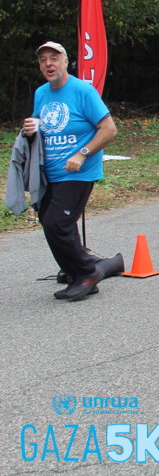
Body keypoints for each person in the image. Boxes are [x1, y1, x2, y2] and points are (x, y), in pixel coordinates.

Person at [21, 42, 118, 301]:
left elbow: (109, 129)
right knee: (48, 221)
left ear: (66, 62)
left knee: (58, 222)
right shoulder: (41, 93)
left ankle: (87, 273)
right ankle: (76, 269)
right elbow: (41, 125)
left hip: (78, 171)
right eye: (43, 59)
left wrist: (82, 153)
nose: (48, 63)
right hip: (50, 173)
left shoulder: (83, 91)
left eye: (54, 58)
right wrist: (30, 129)